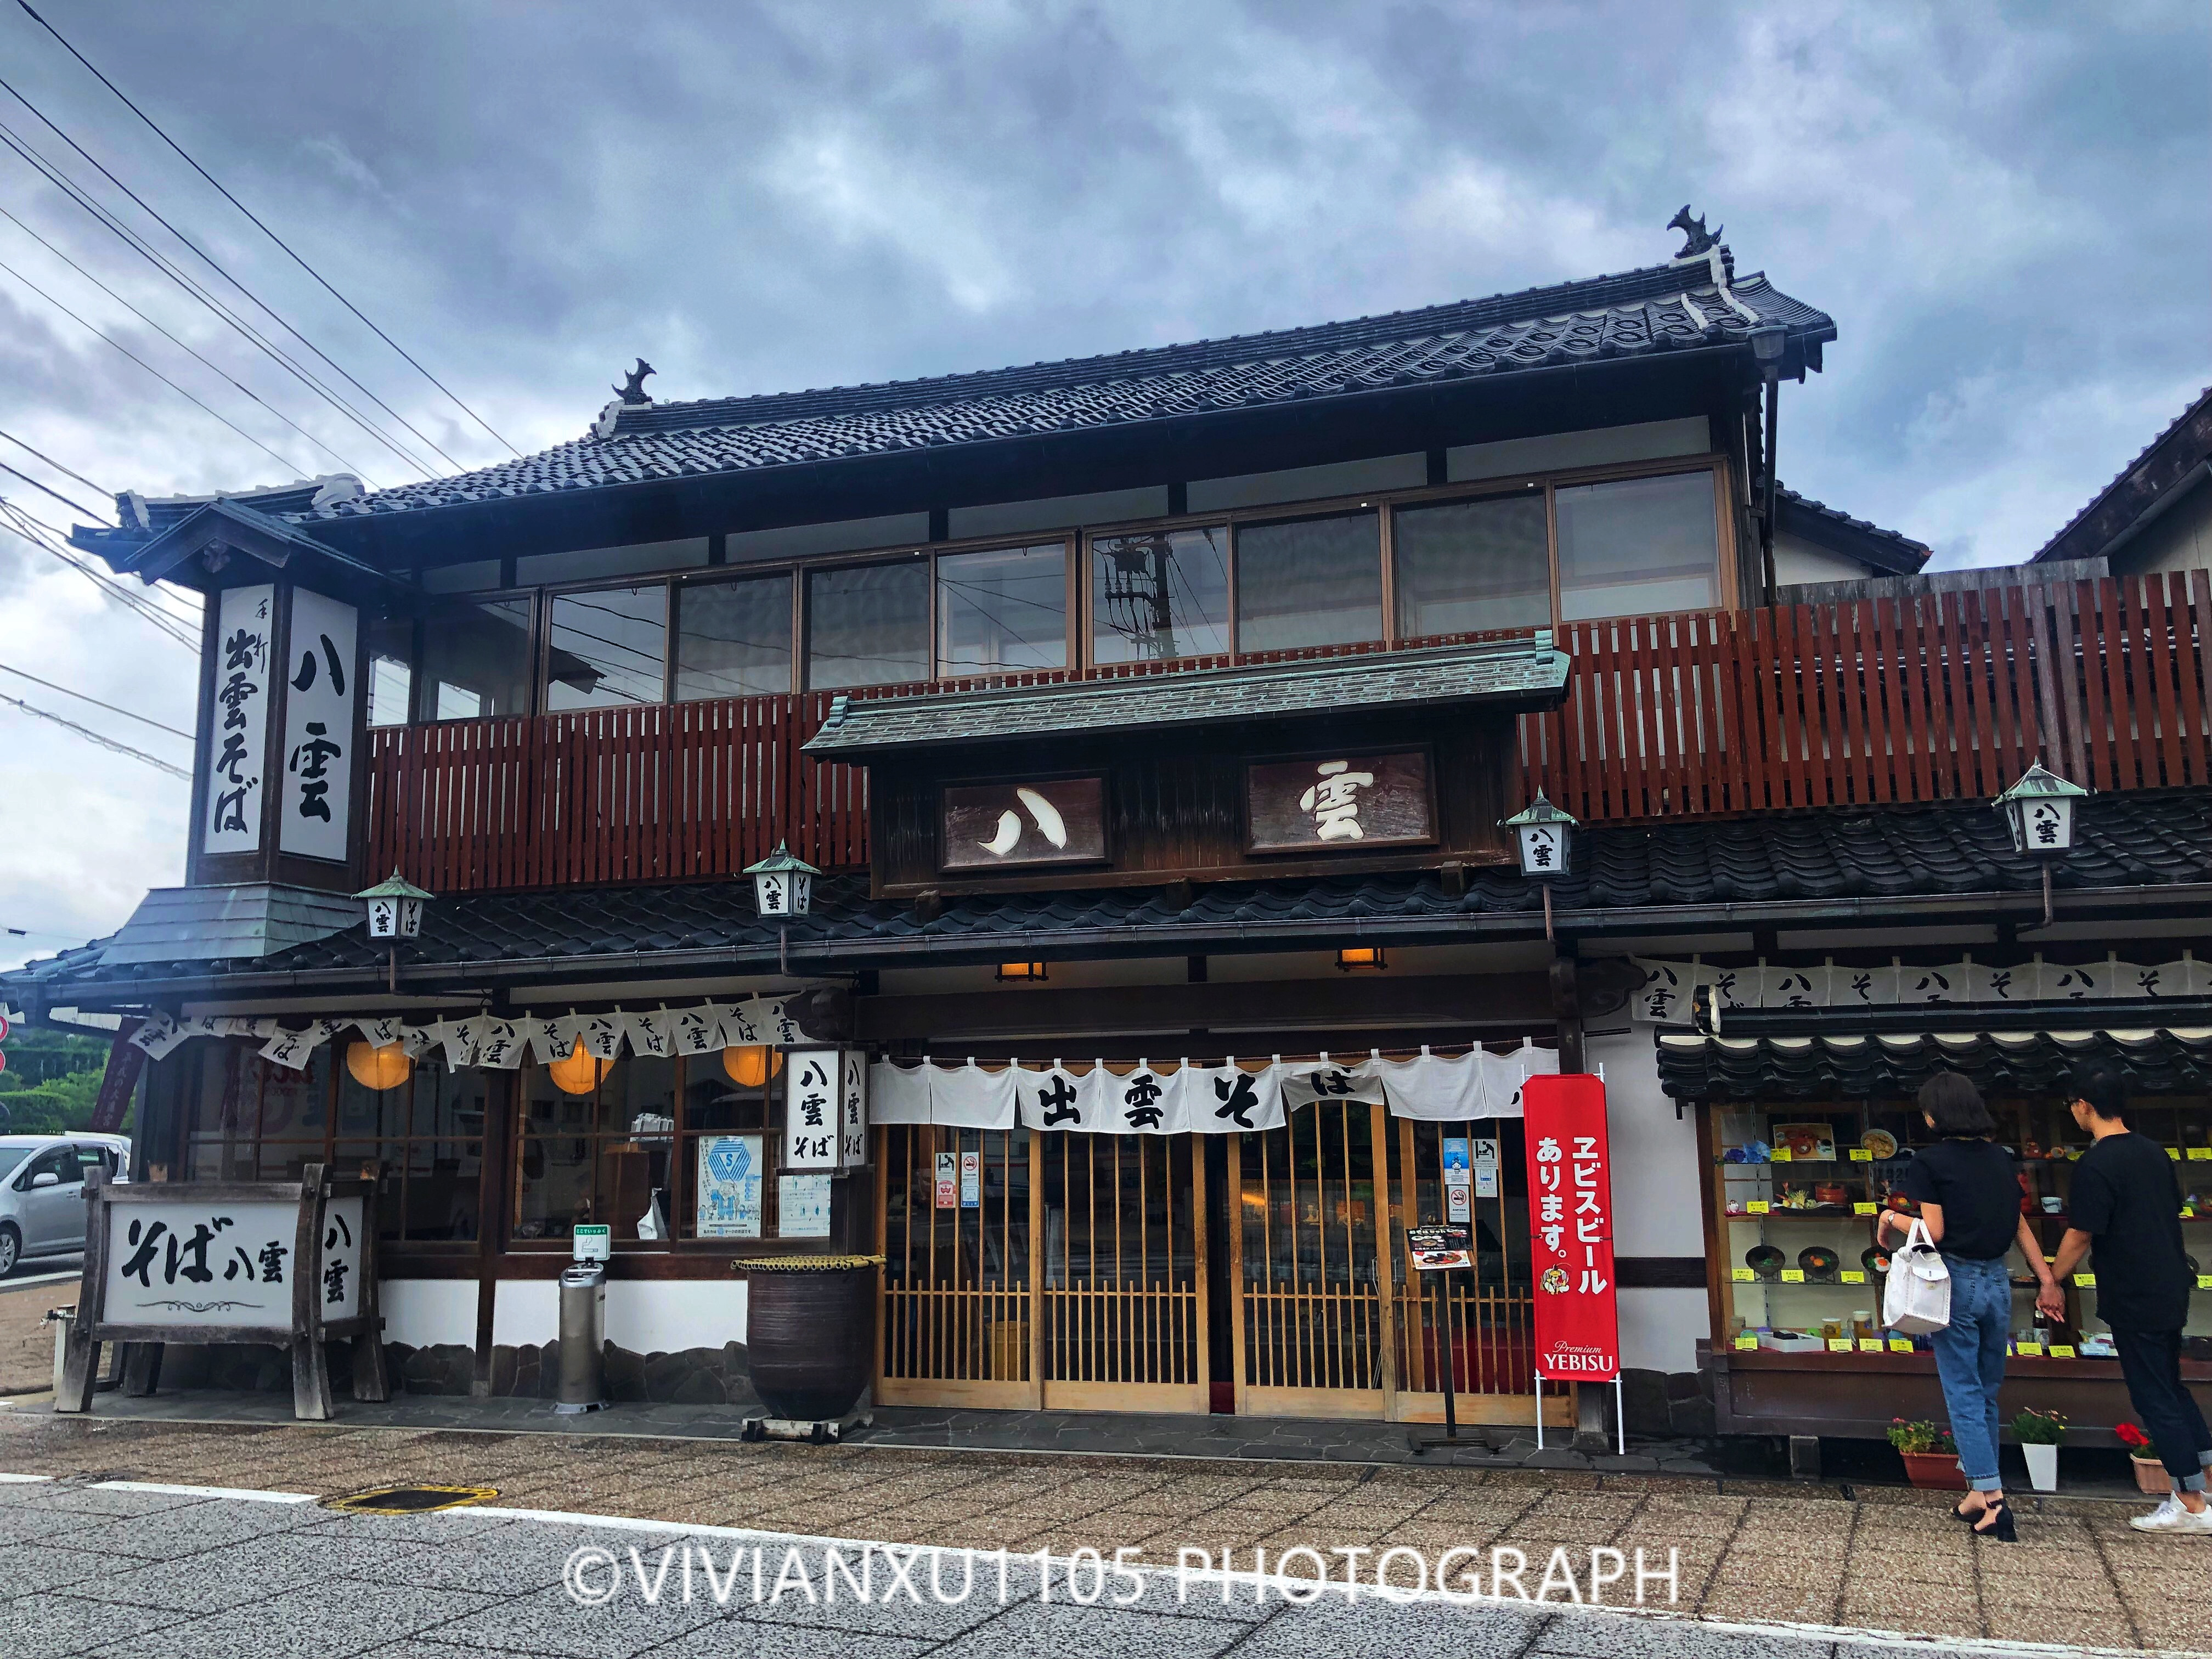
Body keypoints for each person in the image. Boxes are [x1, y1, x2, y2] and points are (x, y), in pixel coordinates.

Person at [1878, 1071, 2062, 1540]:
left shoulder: (1930, 1162)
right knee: (1985, 1390)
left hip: (1955, 1282)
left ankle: (1994, 1501)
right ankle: (1977, 1493)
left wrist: (1889, 1217)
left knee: (1962, 1390)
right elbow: (2020, 1226)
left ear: (1934, 1115)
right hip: (1997, 1281)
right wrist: (2046, 1279)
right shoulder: (2001, 1160)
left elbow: (1933, 1233)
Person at [2046, 1059, 2211, 1536]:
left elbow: (2080, 1234)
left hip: (2134, 1291)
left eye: (2073, 1106)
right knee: (2171, 1386)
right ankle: (2200, 1486)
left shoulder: (2097, 1163)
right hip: (2171, 1283)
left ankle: (2191, 1504)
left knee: (2153, 1394)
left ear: (2084, 1107)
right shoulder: (2154, 1153)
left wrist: (2052, 1279)